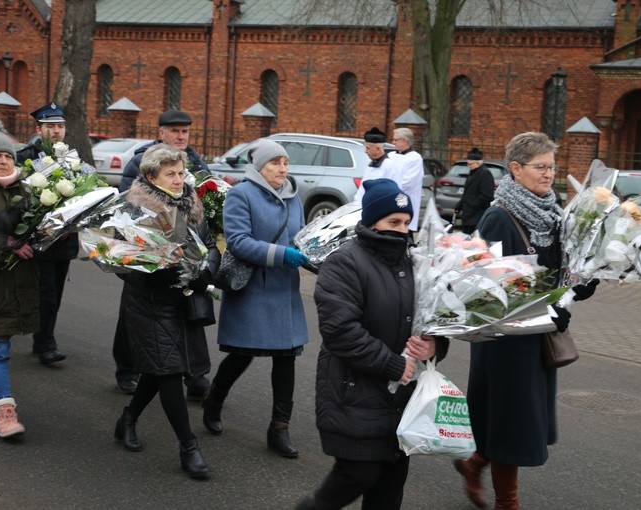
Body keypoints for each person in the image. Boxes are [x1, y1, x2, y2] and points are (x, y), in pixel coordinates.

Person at [453, 132, 597, 510]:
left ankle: (474, 464)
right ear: (515, 169)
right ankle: (508, 503)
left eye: (552, 166)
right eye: (541, 167)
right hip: (506, 341)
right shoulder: (499, 217)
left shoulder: (551, 211)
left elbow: (556, 270)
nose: (549, 174)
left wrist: (577, 285)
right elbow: (489, 292)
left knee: (514, 417)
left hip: (537, 335)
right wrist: (548, 307)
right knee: (511, 421)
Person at [297, 178, 449, 510]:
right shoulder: (345, 263)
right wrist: (394, 364)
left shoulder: (414, 264)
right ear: (372, 220)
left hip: (400, 400)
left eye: (407, 222)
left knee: (389, 491)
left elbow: (432, 320)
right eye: (393, 222)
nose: (402, 229)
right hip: (356, 394)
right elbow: (340, 332)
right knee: (357, 475)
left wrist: (434, 346)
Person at [113, 143, 219, 479]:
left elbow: (212, 244)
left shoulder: (192, 201)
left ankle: (128, 419)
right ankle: (189, 447)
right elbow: (119, 257)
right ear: (150, 176)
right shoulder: (134, 209)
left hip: (181, 299)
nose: (177, 179)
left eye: (180, 172)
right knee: (170, 371)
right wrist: (158, 268)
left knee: (160, 369)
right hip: (148, 301)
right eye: (169, 174)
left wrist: (205, 271)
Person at [202, 139, 309, 458]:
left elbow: (301, 234)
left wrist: (310, 251)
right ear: (259, 166)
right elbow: (237, 242)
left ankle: (279, 428)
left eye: (285, 163)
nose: (282, 169)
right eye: (275, 162)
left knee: (287, 356)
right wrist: (281, 254)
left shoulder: (294, 195)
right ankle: (213, 401)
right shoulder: (241, 194)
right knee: (242, 354)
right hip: (253, 287)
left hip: (284, 290)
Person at [113, 109, 211, 396]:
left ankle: (195, 376)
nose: (181, 136)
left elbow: (205, 197)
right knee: (133, 312)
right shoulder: (142, 161)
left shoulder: (196, 161)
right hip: (147, 250)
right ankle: (127, 368)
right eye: (175, 131)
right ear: (161, 133)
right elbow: (127, 204)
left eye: (185, 131)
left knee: (190, 310)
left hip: (188, 248)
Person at [0, 131, 39, 437]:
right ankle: (5, 414)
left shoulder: (28, 191)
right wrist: (5, 243)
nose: (4, 161)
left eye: (8, 156)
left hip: (15, 282)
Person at [17, 103, 76, 365]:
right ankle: (45, 344)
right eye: (50, 126)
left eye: (60, 126)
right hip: (39, 239)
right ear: (39, 129)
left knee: (56, 291)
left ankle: (42, 337)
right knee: (46, 293)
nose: (56, 131)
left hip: (64, 240)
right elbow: (19, 199)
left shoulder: (74, 159)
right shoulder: (26, 157)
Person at [388, 128, 423, 232]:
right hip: (389, 197)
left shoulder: (415, 158)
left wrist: (389, 189)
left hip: (405, 199)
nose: (393, 142)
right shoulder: (390, 156)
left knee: (403, 227)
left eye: (395, 140)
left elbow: (408, 182)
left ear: (405, 141)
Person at [454, 147, 494, 235]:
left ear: (478, 163)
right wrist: (459, 206)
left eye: (470, 164)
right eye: (468, 164)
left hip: (477, 217)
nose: (468, 166)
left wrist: (472, 205)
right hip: (469, 216)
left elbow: (487, 196)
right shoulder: (473, 172)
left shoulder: (485, 173)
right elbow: (467, 193)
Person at [354, 127, 400, 202]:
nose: (365, 151)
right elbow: (362, 190)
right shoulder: (370, 166)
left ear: (378, 149)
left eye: (367, 148)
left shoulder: (389, 166)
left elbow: (394, 192)